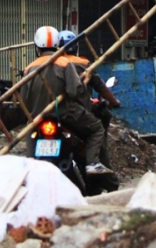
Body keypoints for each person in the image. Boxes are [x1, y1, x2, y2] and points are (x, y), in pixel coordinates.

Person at [22, 26, 113, 177]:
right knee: (97, 128)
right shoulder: (64, 62)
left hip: (38, 117)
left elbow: (25, 100)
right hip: (65, 114)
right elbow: (74, 91)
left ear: (36, 46)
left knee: (29, 129)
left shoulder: (29, 68)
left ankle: (29, 166)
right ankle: (92, 163)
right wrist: (85, 83)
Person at [58, 30, 120, 169]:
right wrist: (114, 102)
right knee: (97, 130)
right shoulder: (84, 64)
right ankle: (95, 164)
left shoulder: (52, 64)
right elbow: (101, 88)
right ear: (76, 46)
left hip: (51, 112)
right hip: (76, 112)